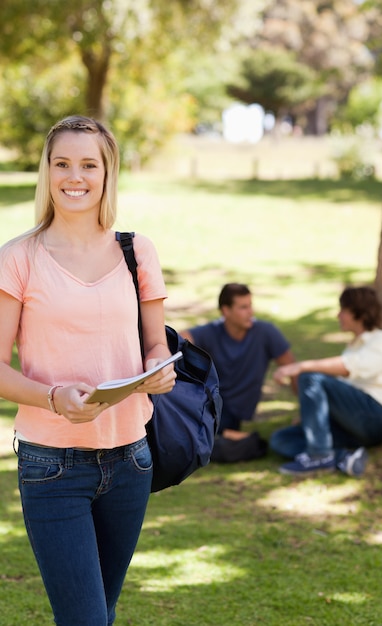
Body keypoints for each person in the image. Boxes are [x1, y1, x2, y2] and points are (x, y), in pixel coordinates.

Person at [0, 115, 177, 626]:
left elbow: (153, 344)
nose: (74, 176)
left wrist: (156, 371)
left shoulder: (135, 251)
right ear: (47, 172)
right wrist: (54, 398)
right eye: (62, 164)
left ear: (107, 172)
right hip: (51, 466)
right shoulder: (19, 258)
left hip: (131, 461)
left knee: (101, 611)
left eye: (88, 164)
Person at [270, 286, 382, 477]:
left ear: (360, 313)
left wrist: (301, 366)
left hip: (379, 418)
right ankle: (342, 457)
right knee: (281, 439)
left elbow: (349, 367)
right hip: (355, 422)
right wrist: (311, 418)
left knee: (310, 377)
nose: (339, 315)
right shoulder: (353, 347)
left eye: (344, 310)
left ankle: (319, 456)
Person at [181, 283, 296, 441]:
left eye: (250, 306)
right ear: (225, 311)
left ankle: (238, 439)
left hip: (233, 412)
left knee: (199, 434)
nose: (251, 312)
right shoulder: (213, 331)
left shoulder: (265, 332)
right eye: (243, 307)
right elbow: (180, 340)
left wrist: (304, 412)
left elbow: (294, 369)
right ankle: (235, 438)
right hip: (211, 403)